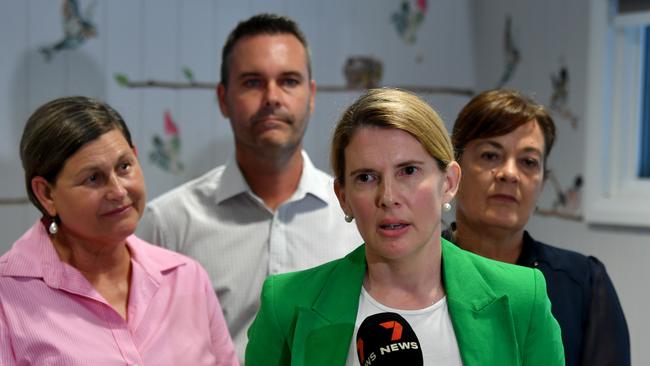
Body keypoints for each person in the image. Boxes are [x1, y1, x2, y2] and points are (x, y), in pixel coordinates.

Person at [246, 88, 565, 366]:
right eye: (366, 177)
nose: (388, 197)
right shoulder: (285, 304)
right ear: (343, 197)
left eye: (408, 171)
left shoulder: (523, 298)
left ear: (449, 183)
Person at [137, 13, 362, 360]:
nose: (272, 97)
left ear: (311, 95)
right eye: (253, 82)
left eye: (289, 81)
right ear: (223, 98)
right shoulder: (169, 224)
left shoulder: (357, 216)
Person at [0, 97, 238, 365]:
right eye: (93, 178)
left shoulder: (186, 277)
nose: (118, 191)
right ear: (46, 194)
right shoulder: (7, 296)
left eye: (124, 167)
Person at [447, 89, 629, 366]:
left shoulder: (584, 282)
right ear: (452, 173)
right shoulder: (415, 272)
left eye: (528, 162)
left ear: (543, 183)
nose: (509, 174)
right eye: (490, 155)